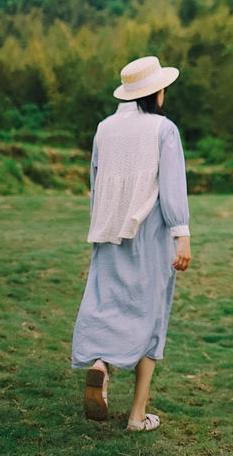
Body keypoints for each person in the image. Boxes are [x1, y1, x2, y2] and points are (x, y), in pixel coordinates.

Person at [72, 55, 191, 432]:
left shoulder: (104, 128)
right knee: (150, 311)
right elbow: (172, 185)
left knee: (108, 302)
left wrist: (102, 221)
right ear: (156, 92)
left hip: (108, 230)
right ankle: (137, 415)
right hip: (149, 234)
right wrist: (182, 233)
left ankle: (100, 366)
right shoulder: (163, 129)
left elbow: (95, 178)